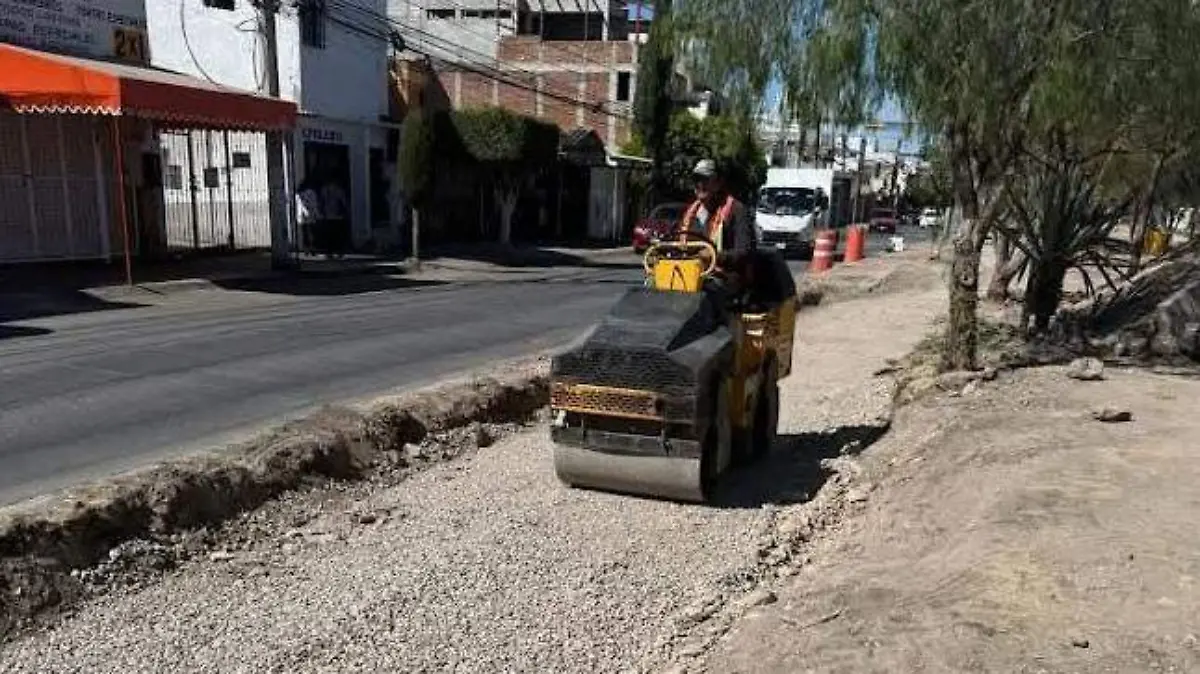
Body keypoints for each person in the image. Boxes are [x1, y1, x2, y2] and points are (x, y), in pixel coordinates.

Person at [676, 159, 758, 293]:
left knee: (705, 290)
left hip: (726, 278)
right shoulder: (690, 214)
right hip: (691, 275)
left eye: (705, 179)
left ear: (719, 183)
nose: (700, 184)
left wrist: (715, 256)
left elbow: (744, 252)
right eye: (696, 179)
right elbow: (678, 245)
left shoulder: (736, 210)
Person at [295, 178, 322, 254]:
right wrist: (317, 214)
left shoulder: (298, 194)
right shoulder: (311, 193)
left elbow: (298, 205)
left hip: (302, 216)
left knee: (305, 233)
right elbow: (314, 205)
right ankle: (312, 248)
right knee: (312, 232)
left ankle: (306, 248)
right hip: (310, 215)